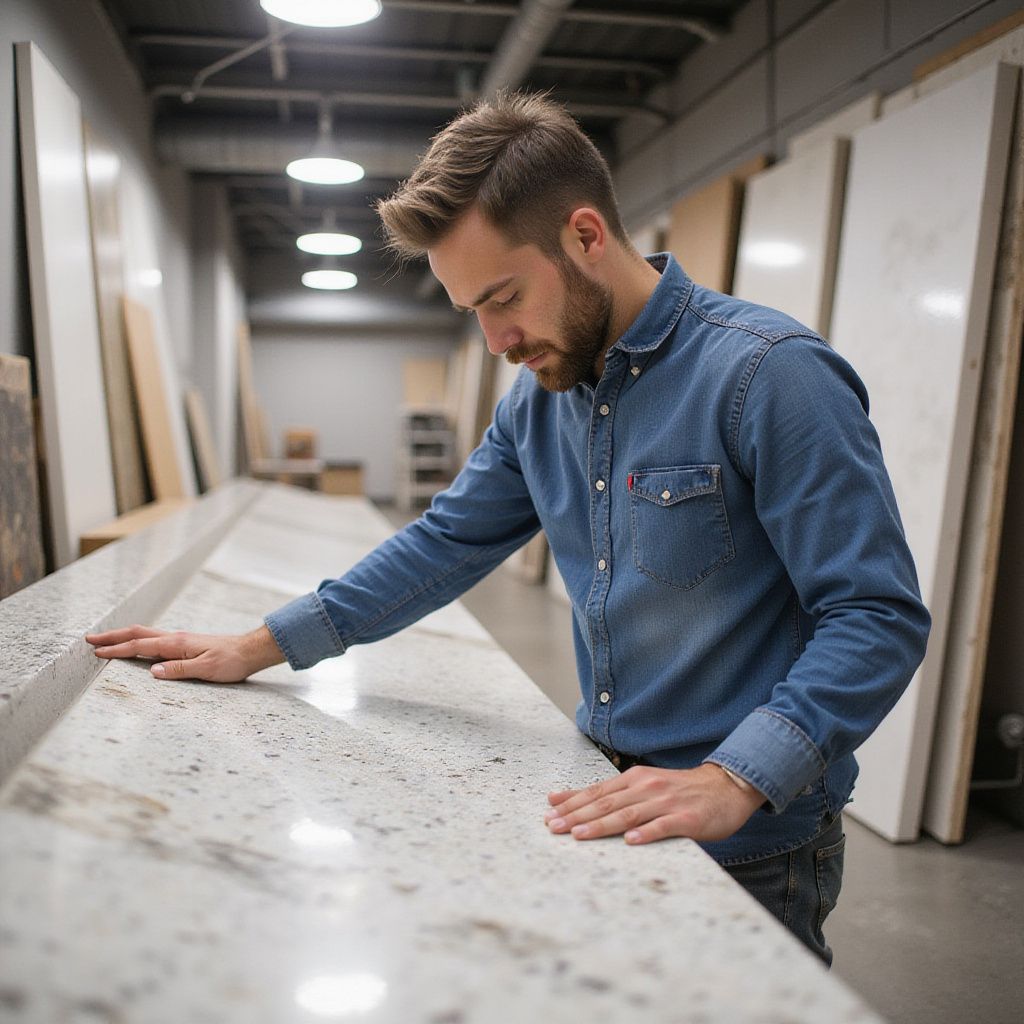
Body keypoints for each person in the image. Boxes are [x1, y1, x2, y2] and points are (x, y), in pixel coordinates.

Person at [87, 92, 930, 967]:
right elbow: (443, 543)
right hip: (608, 796)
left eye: (503, 298)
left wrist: (739, 774)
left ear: (586, 236)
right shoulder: (540, 400)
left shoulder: (769, 376)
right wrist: (259, 645)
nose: (494, 341)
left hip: (753, 842)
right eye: (471, 312)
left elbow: (876, 614)